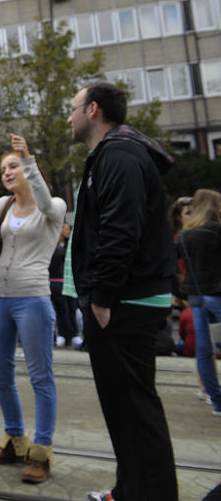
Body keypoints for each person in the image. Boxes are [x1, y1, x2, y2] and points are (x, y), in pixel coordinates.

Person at [67, 82, 178, 501]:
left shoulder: (118, 157)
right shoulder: (112, 155)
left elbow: (119, 231)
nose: (69, 115)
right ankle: (132, 489)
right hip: (123, 299)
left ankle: (151, 492)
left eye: (73, 107)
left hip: (124, 302)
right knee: (124, 408)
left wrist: (101, 298)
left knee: (134, 407)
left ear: (93, 110)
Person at [0, 134, 66, 484]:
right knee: (1, 376)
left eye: (13, 166)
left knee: (41, 378)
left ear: (29, 168)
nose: (7, 172)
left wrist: (28, 159)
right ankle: (13, 440)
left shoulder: (53, 206)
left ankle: (40, 452)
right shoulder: (4, 205)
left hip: (33, 297)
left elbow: (43, 200)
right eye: (4, 168)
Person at [175, 189, 221, 417]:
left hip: (196, 296)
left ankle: (217, 401)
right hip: (217, 294)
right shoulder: (217, 230)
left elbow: (173, 264)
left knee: (204, 352)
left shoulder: (185, 235)